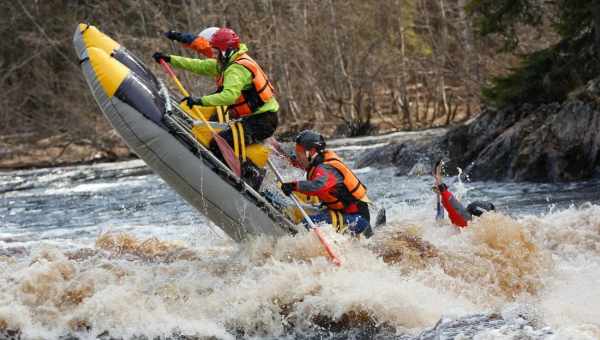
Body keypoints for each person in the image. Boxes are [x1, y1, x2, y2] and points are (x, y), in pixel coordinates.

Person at [153, 27, 278, 188]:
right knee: (220, 140)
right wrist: (170, 59)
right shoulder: (227, 62)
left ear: (225, 51)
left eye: (216, 50)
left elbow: (229, 96)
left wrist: (200, 101)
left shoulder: (236, 68)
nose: (213, 54)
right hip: (256, 119)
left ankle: (251, 177)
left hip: (262, 122)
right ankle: (245, 171)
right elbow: (200, 66)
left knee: (218, 144)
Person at [279, 130, 373, 237]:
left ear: (311, 152)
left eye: (299, 153)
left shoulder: (325, 167)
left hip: (358, 219)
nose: (297, 156)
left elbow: (318, 186)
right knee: (298, 214)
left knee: (306, 224)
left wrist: (293, 186)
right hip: (343, 213)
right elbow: (302, 163)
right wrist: (281, 156)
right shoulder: (317, 162)